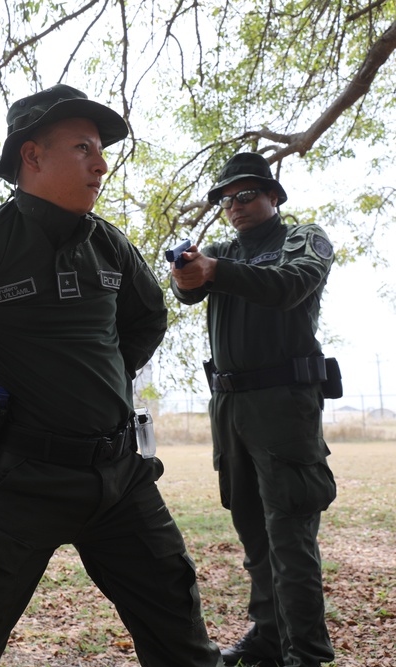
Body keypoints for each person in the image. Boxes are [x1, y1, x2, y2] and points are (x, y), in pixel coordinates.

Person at [0, 83, 221, 667]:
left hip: (119, 478)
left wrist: (100, 377)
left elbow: (148, 319)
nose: (101, 164)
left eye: (100, 150)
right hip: (21, 480)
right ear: (31, 156)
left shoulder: (110, 244)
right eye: (84, 148)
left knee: (182, 639)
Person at [170, 152, 336, 667]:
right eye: (225, 199)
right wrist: (188, 273)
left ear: (273, 197)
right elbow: (188, 293)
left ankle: (305, 654)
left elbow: (291, 287)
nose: (234, 206)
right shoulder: (219, 251)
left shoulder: (302, 239)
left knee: (289, 535)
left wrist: (217, 270)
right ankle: (267, 637)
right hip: (230, 408)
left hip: (284, 409)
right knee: (252, 532)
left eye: (245, 195)